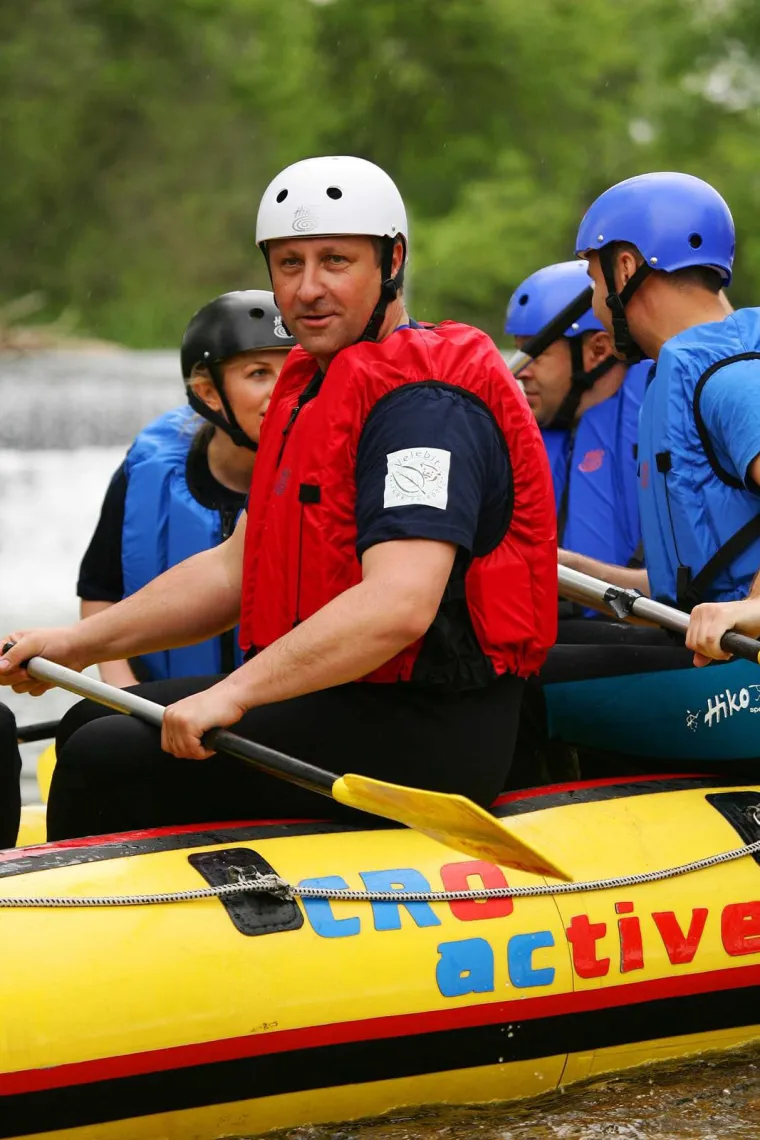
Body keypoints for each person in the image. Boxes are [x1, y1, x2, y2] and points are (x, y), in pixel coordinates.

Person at [0, 155, 558, 841]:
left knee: (102, 754)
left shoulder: (426, 410)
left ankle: (85, 931)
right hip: (341, 701)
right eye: (289, 264)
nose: (309, 289)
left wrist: (232, 692)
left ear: (392, 261)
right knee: (94, 718)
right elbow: (236, 569)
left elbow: (399, 604)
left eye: (335, 261)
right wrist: (77, 642)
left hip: (432, 728)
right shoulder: (311, 386)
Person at [78, 290, 294, 685]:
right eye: (258, 373)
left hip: (277, 705)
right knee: (87, 733)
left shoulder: (334, 474)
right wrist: (123, 693)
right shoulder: (148, 467)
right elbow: (100, 592)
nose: (282, 391)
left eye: (298, 371)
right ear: (207, 392)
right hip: (157, 698)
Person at [505, 260, 651, 626]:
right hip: (555, 633)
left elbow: (695, 591)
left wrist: (567, 568)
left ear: (598, 349)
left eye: (536, 354)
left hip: (653, 640)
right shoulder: (528, 429)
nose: (521, 371)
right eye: (519, 352)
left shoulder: (668, 419)